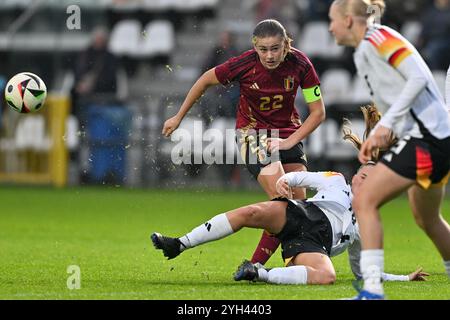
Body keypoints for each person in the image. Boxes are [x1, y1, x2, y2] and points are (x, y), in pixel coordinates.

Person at [153, 105, 429, 285]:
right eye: (362, 173)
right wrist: (284, 181)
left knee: (327, 276)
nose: (361, 178)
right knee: (251, 213)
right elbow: (299, 177)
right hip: (300, 214)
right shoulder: (336, 181)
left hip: (312, 245)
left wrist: (405, 278)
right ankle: (179, 244)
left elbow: (363, 271)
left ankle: (260, 273)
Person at [162, 19, 326, 266]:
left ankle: (271, 264)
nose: (269, 55)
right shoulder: (244, 64)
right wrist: (178, 116)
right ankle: (260, 264)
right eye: (263, 49)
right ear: (255, 46)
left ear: (286, 45)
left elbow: (318, 112)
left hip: (288, 134)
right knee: (283, 198)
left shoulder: (301, 63)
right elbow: (205, 79)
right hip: (253, 134)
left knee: (298, 205)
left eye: (275, 48)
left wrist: (288, 141)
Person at [328, 0, 450, 299]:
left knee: (365, 198)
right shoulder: (364, 52)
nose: (329, 26)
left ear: (347, 20)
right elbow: (398, 98)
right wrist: (384, 132)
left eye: (332, 19)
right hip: (431, 140)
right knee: (426, 217)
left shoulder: (378, 38)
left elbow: (420, 79)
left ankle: (372, 290)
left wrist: (387, 125)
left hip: (429, 139)